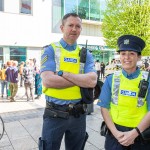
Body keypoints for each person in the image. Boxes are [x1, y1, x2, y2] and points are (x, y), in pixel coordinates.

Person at [39, 13, 97, 150]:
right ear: (62, 27)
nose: (74, 29)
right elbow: (48, 80)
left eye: (78, 26)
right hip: (54, 114)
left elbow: (92, 80)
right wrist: (81, 79)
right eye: (70, 25)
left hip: (79, 114)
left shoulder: (85, 53)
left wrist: (64, 75)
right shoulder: (50, 50)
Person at [97, 35, 150, 150]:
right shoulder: (111, 79)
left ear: (139, 57)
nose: (127, 57)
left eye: (131, 53)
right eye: (123, 53)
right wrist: (116, 133)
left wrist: (134, 133)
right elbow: (104, 107)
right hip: (115, 135)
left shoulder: (148, 80)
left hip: (141, 136)